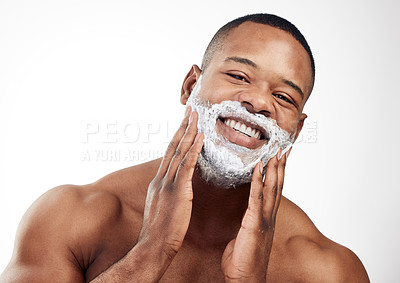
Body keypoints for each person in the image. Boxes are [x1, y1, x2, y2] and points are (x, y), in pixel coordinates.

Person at [0, 13, 369, 282]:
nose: (258, 102)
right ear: (190, 85)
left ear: (297, 130)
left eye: (284, 96)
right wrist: (151, 252)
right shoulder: (70, 217)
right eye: (239, 76)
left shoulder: (329, 271)